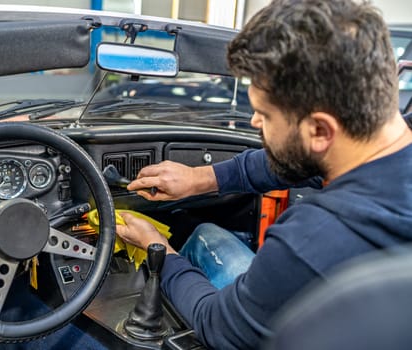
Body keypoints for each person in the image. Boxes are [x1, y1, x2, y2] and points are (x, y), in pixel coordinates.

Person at [115, 0, 412, 349]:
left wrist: (159, 250)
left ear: (320, 131)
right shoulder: (385, 150)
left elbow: (218, 326)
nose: (255, 122)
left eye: (265, 115)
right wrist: (200, 179)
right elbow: (308, 168)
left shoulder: (314, 240)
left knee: (203, 237)